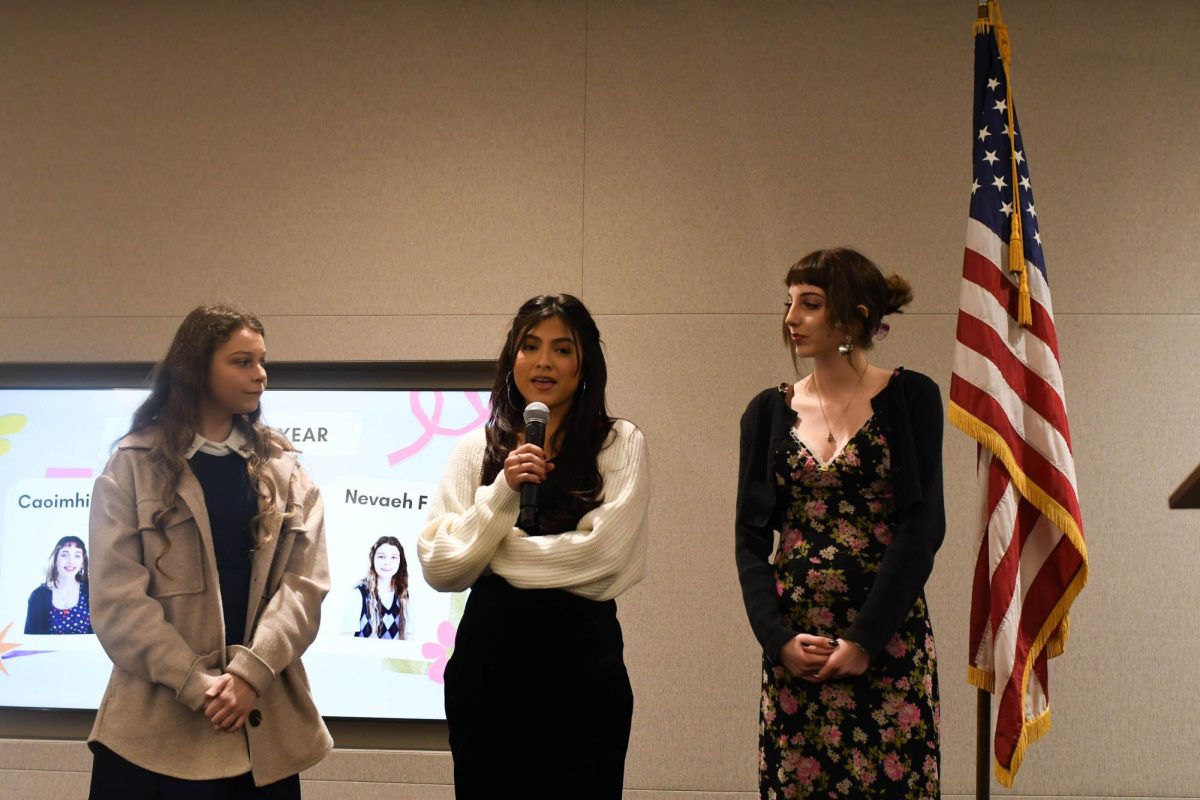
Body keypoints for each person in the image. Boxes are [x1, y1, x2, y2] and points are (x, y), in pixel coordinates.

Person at [86, 303, 332, 799]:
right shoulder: (132, 467)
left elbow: (304, 589)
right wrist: (196, 685)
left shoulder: (286, 470)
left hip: (259, 732)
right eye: (242, 361)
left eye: (263, 362)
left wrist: (249, 675)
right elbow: (117, 603)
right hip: (152, 738)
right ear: (196, 367)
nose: (260, 375)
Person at [418, 293, 650, 799]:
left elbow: (607, 559)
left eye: (562, 349)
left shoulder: (618, 443)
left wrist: (490, 558)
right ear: (512, 358)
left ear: (585, 361)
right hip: (488, 669)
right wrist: (503, 492)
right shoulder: (474, 449)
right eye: (530, 346)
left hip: (583, 674)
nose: (544, 362)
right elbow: (441, 566)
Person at [735, 248, 945, 799]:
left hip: (887, 643)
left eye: (809, 304)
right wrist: (776, 640)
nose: (791, 319)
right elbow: (751, 541)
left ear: (851, 318)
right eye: (789, 303)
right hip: (796, 651)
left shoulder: (911, 396)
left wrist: (865, 640)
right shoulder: (766, 410)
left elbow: (923, 528)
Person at [25, 535, 94, 634]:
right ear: (55, 559)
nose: (71, 561)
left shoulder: (91, 591)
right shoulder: (38, 595)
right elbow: (32, 640)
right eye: (64, 555)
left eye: (77, 555)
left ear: (82, 563)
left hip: (86, 650)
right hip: (49, 650)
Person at [348, 536, 411, 639]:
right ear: (373, 559)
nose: (387, 562)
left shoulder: (405, 597)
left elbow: (409, 642)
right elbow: (346, 642)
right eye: (381, 556)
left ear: (400, 562)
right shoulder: (359, 594)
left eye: (393, 557)